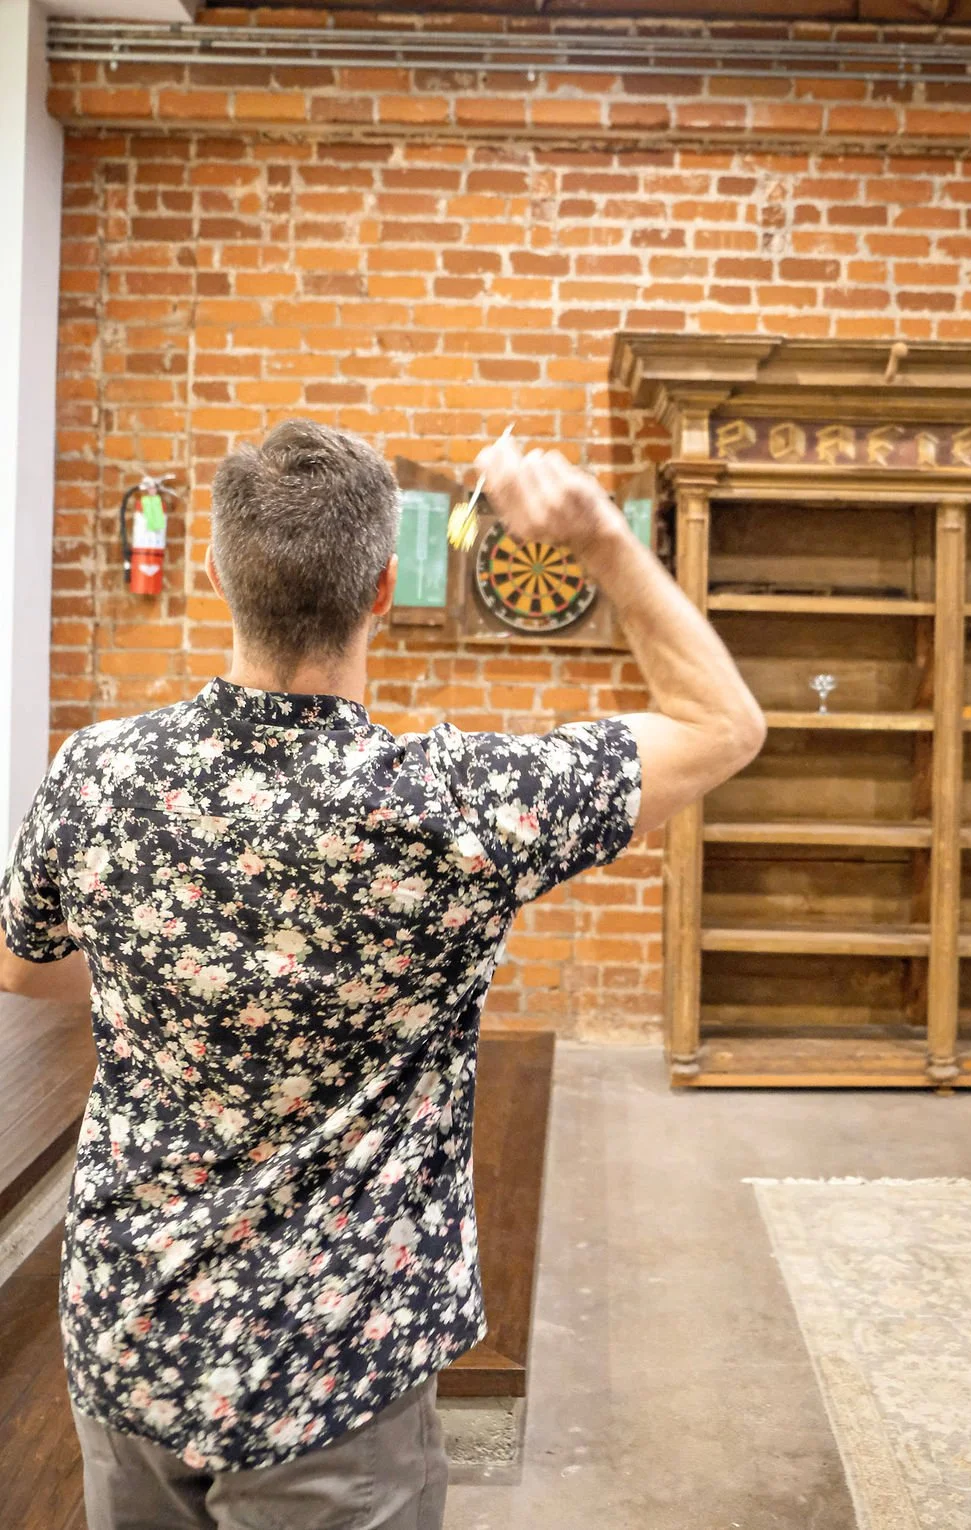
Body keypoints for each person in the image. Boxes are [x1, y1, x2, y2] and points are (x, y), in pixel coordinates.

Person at [0, 422, 764, 1530]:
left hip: (132, 1338)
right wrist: (598, 535)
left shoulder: (98, 773)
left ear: (216, 574)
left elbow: (26, 967)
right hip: (336, 1372)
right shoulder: (455, 806)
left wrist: (170, 968)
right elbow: (724, 724)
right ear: (380, 595)